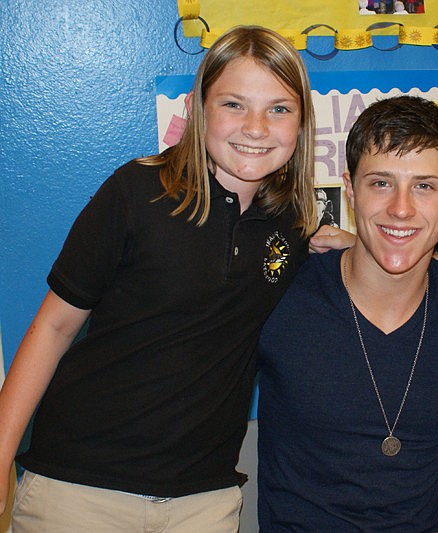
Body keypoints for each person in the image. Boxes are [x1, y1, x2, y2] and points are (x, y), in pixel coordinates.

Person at [0, 25, 317, 531]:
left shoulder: (296, 226)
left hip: (204, 500)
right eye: (234, 104)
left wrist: (360, 241)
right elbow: (53, 328)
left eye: (279, 109)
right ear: (197, 109)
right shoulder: (136, 193)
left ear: (301, 124)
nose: (255, 127)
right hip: (79, 488)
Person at [256, 95, 438, 532]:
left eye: (425, 186)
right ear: (350, 190)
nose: (402, 209)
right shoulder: (284, 293)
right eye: (381, 183)